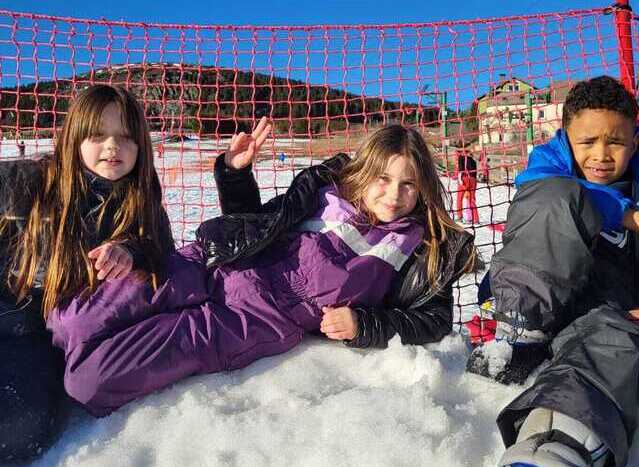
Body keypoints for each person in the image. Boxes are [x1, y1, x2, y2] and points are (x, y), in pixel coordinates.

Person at [46, 122, 476, 417]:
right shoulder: (323, 192)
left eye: (408, 184)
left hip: (244, 322)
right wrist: (236, 175)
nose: (394, 194)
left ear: (422, 189)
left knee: (89, 381)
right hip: (208, 264)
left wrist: (364, 323)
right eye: (383, 178)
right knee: (68, 321)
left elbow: (433, 320)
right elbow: (254, 222)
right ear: (363, 173)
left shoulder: (421, 246)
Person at [467, 76, 639, 467]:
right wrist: (633, 219)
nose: (601, 155)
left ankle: (556, 448)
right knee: (557, 198)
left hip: (606, 315)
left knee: (621, 344)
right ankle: (521, 333)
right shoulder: (549, 165)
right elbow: (543, 191)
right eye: (587, 142)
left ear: (636, 141)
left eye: (616, 142)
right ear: (567, 137)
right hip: (534, 306)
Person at [0, 84, 173, 462]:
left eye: (125, 138)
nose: (112, 147)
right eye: (98, 135)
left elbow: (163, 254)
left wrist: (131, 252)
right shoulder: (24, 181)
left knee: (20, 423)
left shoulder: (140, 202)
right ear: (74, 137)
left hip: (37, 338)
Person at [456, 150, 479, 223]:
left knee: (459, 198)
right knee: (472, 200)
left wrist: (460, 181)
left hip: (464, 178)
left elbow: (460, 171)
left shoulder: (461, 157)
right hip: (473, 180)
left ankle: (460, 216)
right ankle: (476, 219)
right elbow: (475, 174)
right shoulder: (473, 160)